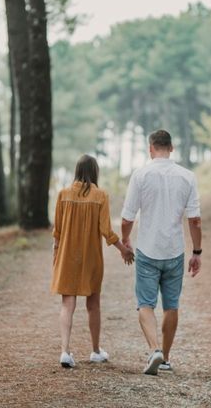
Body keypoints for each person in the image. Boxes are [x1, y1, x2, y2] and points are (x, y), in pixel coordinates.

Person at [121, 130, 202, 375]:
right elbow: (195, 220)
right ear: (172, 147)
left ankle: (154, 349)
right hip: (174, 251)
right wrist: (197, 252)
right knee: (171, 306)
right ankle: (165, 358)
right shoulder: (188, 177)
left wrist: (125, 239)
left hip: (147, 249)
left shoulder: (141, 175)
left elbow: (127, 217)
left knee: (145, 303)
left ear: (151, 148)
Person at [51, 154, 134, 368]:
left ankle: (65, 351)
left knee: (67, 304)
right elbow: (105, 230)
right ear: (94, 171)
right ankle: (95, 350)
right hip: (91, 258)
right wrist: (122, 249)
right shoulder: (101, 196)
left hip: (67, 255)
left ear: (77, 171)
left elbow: (57, 232)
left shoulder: (63, 195)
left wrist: (56, 255)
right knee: (93, 304)